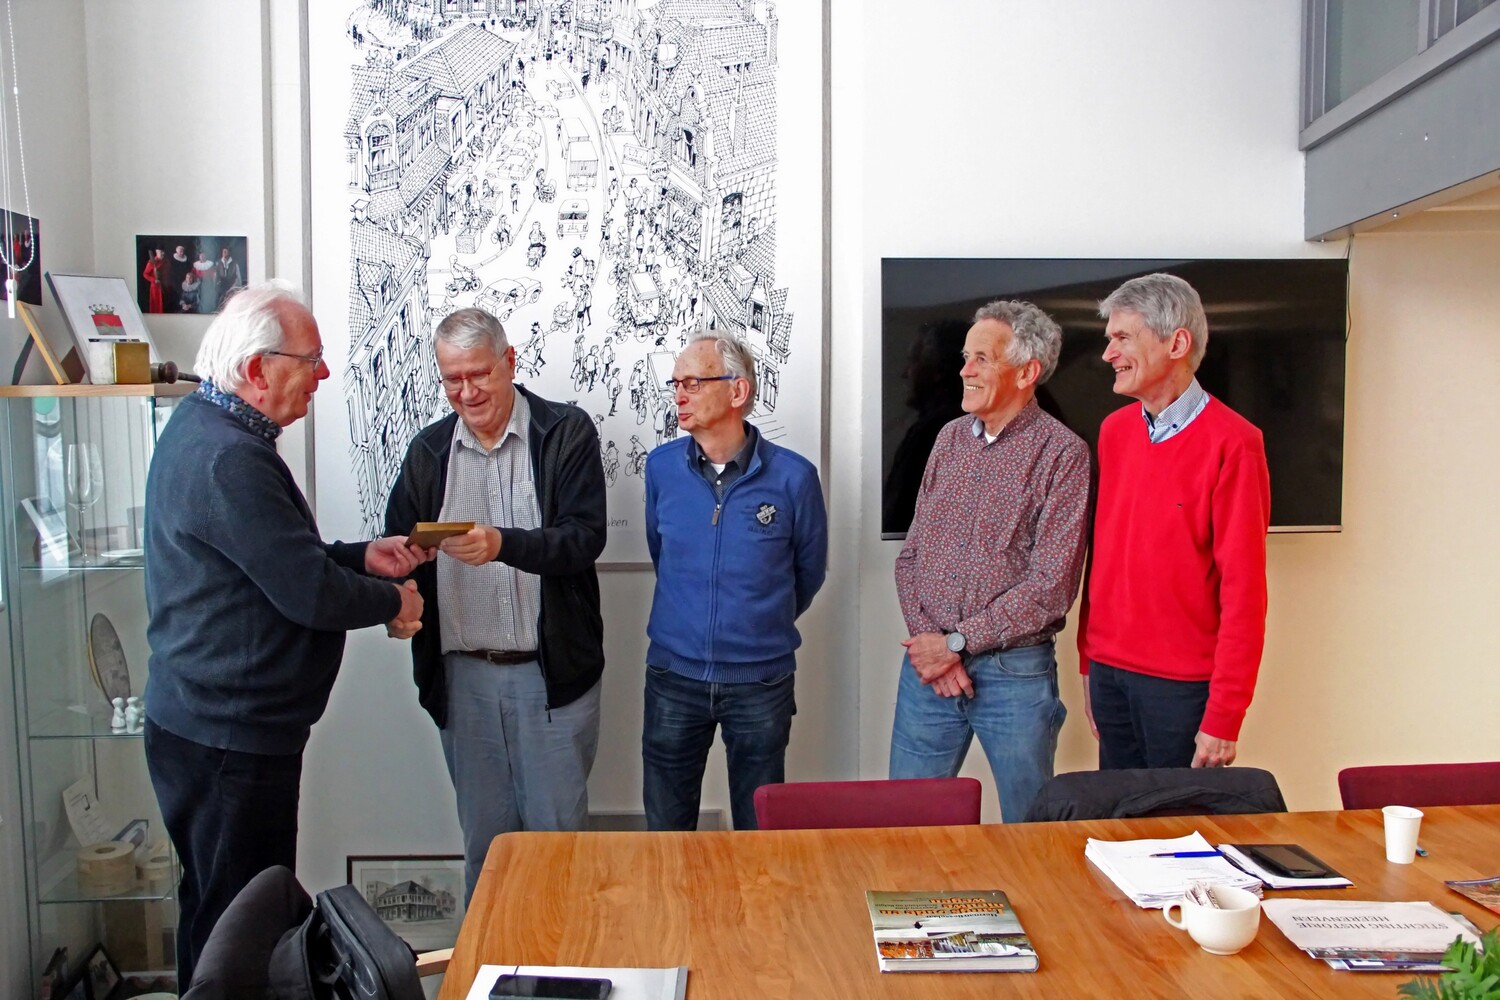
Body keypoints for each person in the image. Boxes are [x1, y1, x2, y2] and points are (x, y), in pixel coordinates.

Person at [142, 284, 427, 987]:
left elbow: (277, 562)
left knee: (216, 912)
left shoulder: (214, 431)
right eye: (312, 360)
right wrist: (393, 598)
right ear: (258, 369)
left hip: (215, 731)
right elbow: (305, 592)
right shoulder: (228, 459)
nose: (324, 376)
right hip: (228, 741)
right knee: (238, 931)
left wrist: (361, 556)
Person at [385, 307, 607, 901]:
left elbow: (586, 538)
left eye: (479, 374)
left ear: (510, 362)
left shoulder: (566, 433)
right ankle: (493, 983)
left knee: (558, 849)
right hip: (463, 680)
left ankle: (568, 984)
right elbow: (398, 548)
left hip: (551, 678)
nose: (467, 392)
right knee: (486, 851)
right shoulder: (429, 451)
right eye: (452, 380)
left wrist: (501, 545)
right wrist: (397, 598)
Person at [888, 301, 1090, 822]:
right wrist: (931, 646)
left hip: (1013, 676)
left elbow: (1050, 587)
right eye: (965, 357)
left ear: (1027, 372)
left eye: (981, 358)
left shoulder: (1063, 454)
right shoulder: (948, 439)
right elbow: (912, 558)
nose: (964, 370)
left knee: (1030, 830)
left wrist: (955, 644)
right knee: (905, 824)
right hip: (928, 673)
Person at [1079, 273, 1271, 770]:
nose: (1108, 354)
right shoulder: (1114, 432)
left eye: (1122, 338)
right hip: (1109, 676)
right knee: (1118, 832)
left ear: (1176, 342)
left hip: (1182, 690)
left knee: (1175, 837)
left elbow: (1244, 591)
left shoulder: (1235, 444)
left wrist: (1225, 716)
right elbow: (1101, 555)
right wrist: (1088, 660)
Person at [642, 333, 828, 831]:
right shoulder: (661, 468)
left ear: (737, 391)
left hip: (760, 682)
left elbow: (808, 573)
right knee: (665, 827)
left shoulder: (794, 479)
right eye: (676, 383)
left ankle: (760, 913)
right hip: (673, 677)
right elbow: (663, 555)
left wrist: (758, 623)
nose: (679, 394)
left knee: (759, 829)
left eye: (693, 382)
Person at [142, 248, 165, 313]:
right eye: (161, 252)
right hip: (155, 287)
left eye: (163, 252)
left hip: (165, 287)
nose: (163, 253)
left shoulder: (165, 261)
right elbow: (145, 274)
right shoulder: (151, 262)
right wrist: (154, 280)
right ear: (157, 252)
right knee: (156, 306)